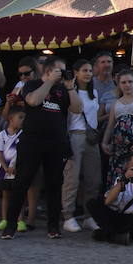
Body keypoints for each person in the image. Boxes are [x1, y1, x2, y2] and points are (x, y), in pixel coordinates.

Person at [6, 55, 79, 239]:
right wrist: (48, 83)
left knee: (54, 185)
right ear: (48, 71)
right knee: (22, 182)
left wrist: (70, 87)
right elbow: (32, 101)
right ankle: (11, 225)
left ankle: (53, 227)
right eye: (60, 70)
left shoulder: (63, 90)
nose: (63, 74)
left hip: (56, 143)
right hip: (32, 141)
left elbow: (78, 109)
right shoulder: (32, 84)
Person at [85, 150, 133, 244]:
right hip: (125, 218)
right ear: (128, 167)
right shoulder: (122, 179)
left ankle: (109, 234)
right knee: (93, 203)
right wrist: (123, 181)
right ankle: (119, 235)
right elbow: (108, 202)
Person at [61, 59, 101, 233]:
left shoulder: (94, 92)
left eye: (90, 71)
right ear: (76, 72)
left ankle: (89, 216)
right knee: (72, 178)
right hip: (75, 135)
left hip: (91, 138)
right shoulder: (69, 91)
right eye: (84, 70)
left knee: (93, 179)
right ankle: (68, 216)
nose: (88, 74)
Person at [0, 106, 24, 232]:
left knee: (19, 195)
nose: (22, 120)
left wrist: (14, 166)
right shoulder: (2, 134)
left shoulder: (23, 135)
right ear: (11, 118)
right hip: (4, 170)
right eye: (20, 117)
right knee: (5, 195)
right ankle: (4, 219)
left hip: (18, 169)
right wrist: (5, 167)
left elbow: (21, 152)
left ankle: (20, 220)